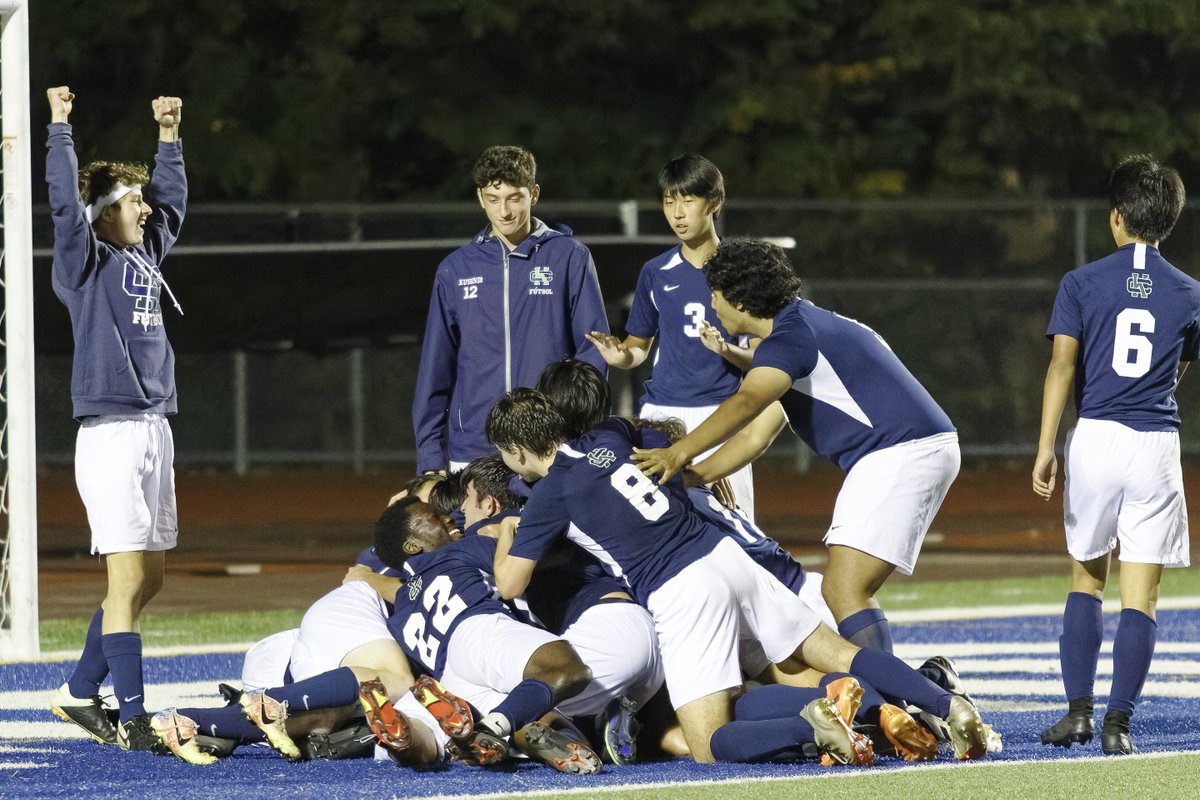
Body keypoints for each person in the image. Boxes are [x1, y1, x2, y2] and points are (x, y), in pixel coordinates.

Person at [485, 389, 987, 764]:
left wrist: (510, 529)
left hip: (681, 589)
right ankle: (948, 706)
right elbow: (655, 437)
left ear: (517, 450)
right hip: (728, 556)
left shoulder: (549, 495)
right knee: (841, 655)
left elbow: (510, 584)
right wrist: (687, 471)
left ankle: (812, 724)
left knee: (706, 743)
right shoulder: (610, 433)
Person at [632, 239, 960, 659]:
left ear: (739, 299)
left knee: (844, 588)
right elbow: (755, 436)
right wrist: (695, 477)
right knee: (843, 589)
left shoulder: (790, 339)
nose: (712, 303)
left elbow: (746, 402)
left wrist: (677, 454)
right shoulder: (798, 329)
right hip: (907, 450)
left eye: (716, 293)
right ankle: (902, 684)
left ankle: (890, 692)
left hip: (901, 451)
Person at [1032, 154, 1199, 756]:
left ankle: (1078, 713)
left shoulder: (1081, 282)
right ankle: (1117, 725)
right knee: (1142, 596)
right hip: (1154, 444)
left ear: (1116, 217)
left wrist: (1045, 445)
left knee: (1086, 578)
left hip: (1096, 436)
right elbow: (1177, 366)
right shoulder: (1190, 292)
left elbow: (1062, 366)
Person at [44, 87, 188, 751]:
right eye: (133, 202)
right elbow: (64, 208)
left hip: (154, 426)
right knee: (126, 581)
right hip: (110, 435)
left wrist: (168, 138)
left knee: (149, 577)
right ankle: (133, 717)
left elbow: (172, 204)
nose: (146, 209)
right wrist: (60, 127)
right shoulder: (86, 263)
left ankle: (79, 690)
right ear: (105, 215)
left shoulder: (143, 254)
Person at [412, 144, 609, 475]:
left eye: (514, 198)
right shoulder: (455, 269)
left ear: (534, 194)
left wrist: (574, 432)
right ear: (480, 198)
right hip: (473, 447)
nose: (503, 211)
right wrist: (430, 457)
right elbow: (436, 367)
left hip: (548, 446)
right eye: (493, 199)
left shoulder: (570, 257)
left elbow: (593, 354)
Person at [586, 155, 757, 516]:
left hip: (721, 414)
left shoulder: (744, 270)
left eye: (688, 200)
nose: (677, 213)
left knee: (735, 521)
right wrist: (621, 357)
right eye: (668, 202)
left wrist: (726, 350)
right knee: (655, 521)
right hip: (662, 416)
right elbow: (638, 347)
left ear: (714, 203)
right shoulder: (656, 271)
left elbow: (762, 358)